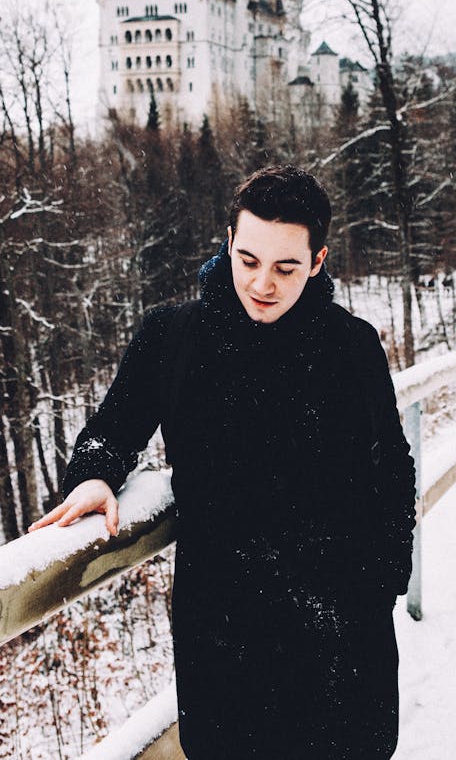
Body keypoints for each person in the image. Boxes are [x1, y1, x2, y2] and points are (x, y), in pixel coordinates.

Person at [30, 165, 416, 759]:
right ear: (229, 244)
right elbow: (112, 429)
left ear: (317, 262)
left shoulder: (352, 346)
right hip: (228, 629)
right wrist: (94, 476)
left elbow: (391, 466)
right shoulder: (173, 336)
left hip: (340, 628)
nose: (262, 282)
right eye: (249, 259)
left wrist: (383, 582)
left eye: (286, 267)